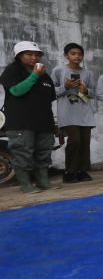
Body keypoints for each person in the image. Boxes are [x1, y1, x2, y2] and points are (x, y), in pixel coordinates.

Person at [0, 41, 58, 193]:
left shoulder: (44, 74)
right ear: (19, 56)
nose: (34, 57)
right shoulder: (12, 71)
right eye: (29, 54)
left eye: (37, 55)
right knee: (23, 152)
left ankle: (44, 182)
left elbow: (50, 97)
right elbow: (16, 91)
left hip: (44, 121)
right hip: (21, 122)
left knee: (44, 152)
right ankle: (26, 185)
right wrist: (34, 76)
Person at [51, 43, 95, 183]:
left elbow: (94, 94)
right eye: (73, 53)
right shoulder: (58, 70)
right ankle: (69, 172)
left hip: (85, 113)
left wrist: (85, 90)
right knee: (74, 141)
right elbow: (51, 91)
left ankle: (82, 171)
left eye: (79, 54)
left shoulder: (88, 73)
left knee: (84, 142)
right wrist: (66, 86)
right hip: (67, 112)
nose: (77, 56)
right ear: (66, 55)